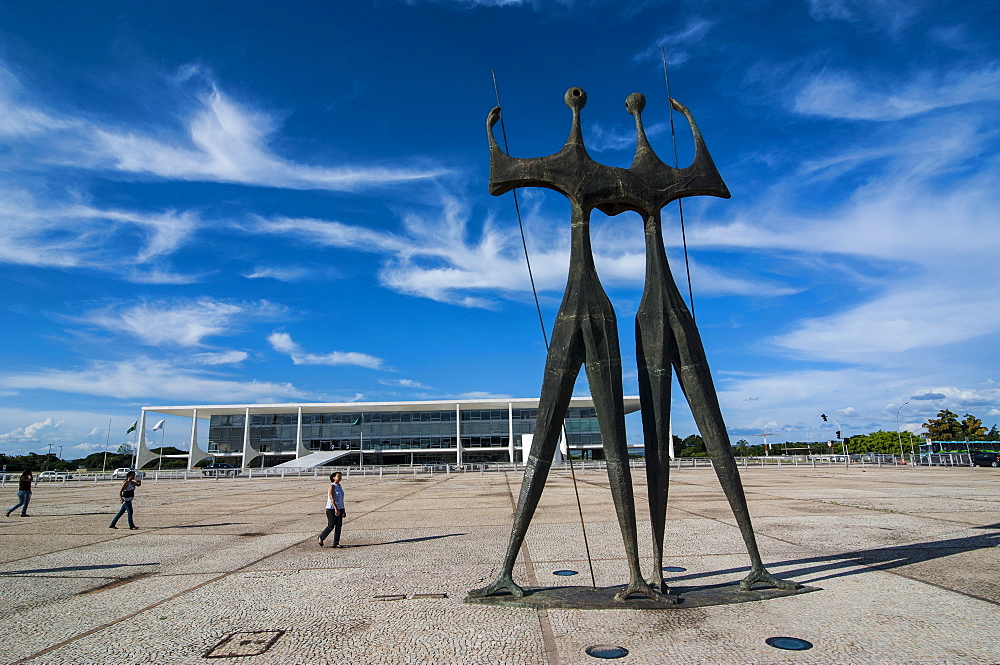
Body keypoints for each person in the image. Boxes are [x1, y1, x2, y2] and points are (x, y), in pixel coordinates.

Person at [318, 471, 345, 547]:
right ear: (333, 478)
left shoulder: (340, 486)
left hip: (339, 508)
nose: (340, 477)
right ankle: (321, 537)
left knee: (339, 526)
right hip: (331, 508)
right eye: (338, 476)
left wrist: (343, 510)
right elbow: (331, 497)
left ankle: (336, 543)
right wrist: (335, 508)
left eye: (340, 476)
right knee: (331, 525)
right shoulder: (332, 486)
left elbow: (341, 499)